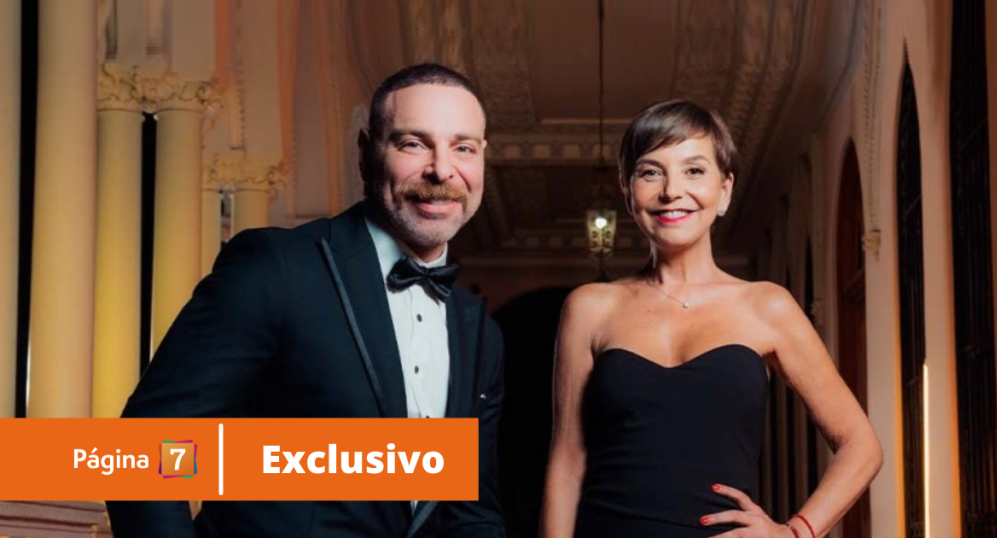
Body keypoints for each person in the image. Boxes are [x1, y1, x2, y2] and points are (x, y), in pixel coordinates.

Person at [106, 63, 505, 538]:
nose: (442, 169)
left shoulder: (478, 331)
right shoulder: (276, 267)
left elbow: (469, 510)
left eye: (463, 148)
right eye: (413, 144)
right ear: (366, 153)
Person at [540, 100, 882, 538]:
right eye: (650, 172)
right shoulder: (590, 307)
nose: (671, 190)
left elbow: (861, 444)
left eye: (694, 170)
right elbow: (567, 463)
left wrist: (795, 532)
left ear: (725, 190)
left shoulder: (767, 306)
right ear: (628, 191)